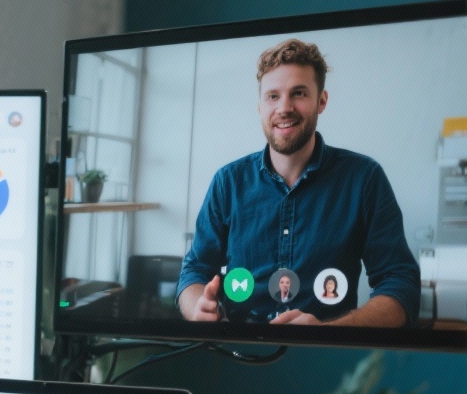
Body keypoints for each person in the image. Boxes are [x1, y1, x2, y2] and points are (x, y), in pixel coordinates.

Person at [176, 38, 419, 327]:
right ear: (259, 106)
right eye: (273, 96)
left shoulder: (364, 179)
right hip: (237, 357)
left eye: (299, 93)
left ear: (322, 101)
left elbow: (401, 284)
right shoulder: (227, 182)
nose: (284, 108)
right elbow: (193, 271)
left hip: (327, 358)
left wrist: (328, 332)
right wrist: (196, 308)